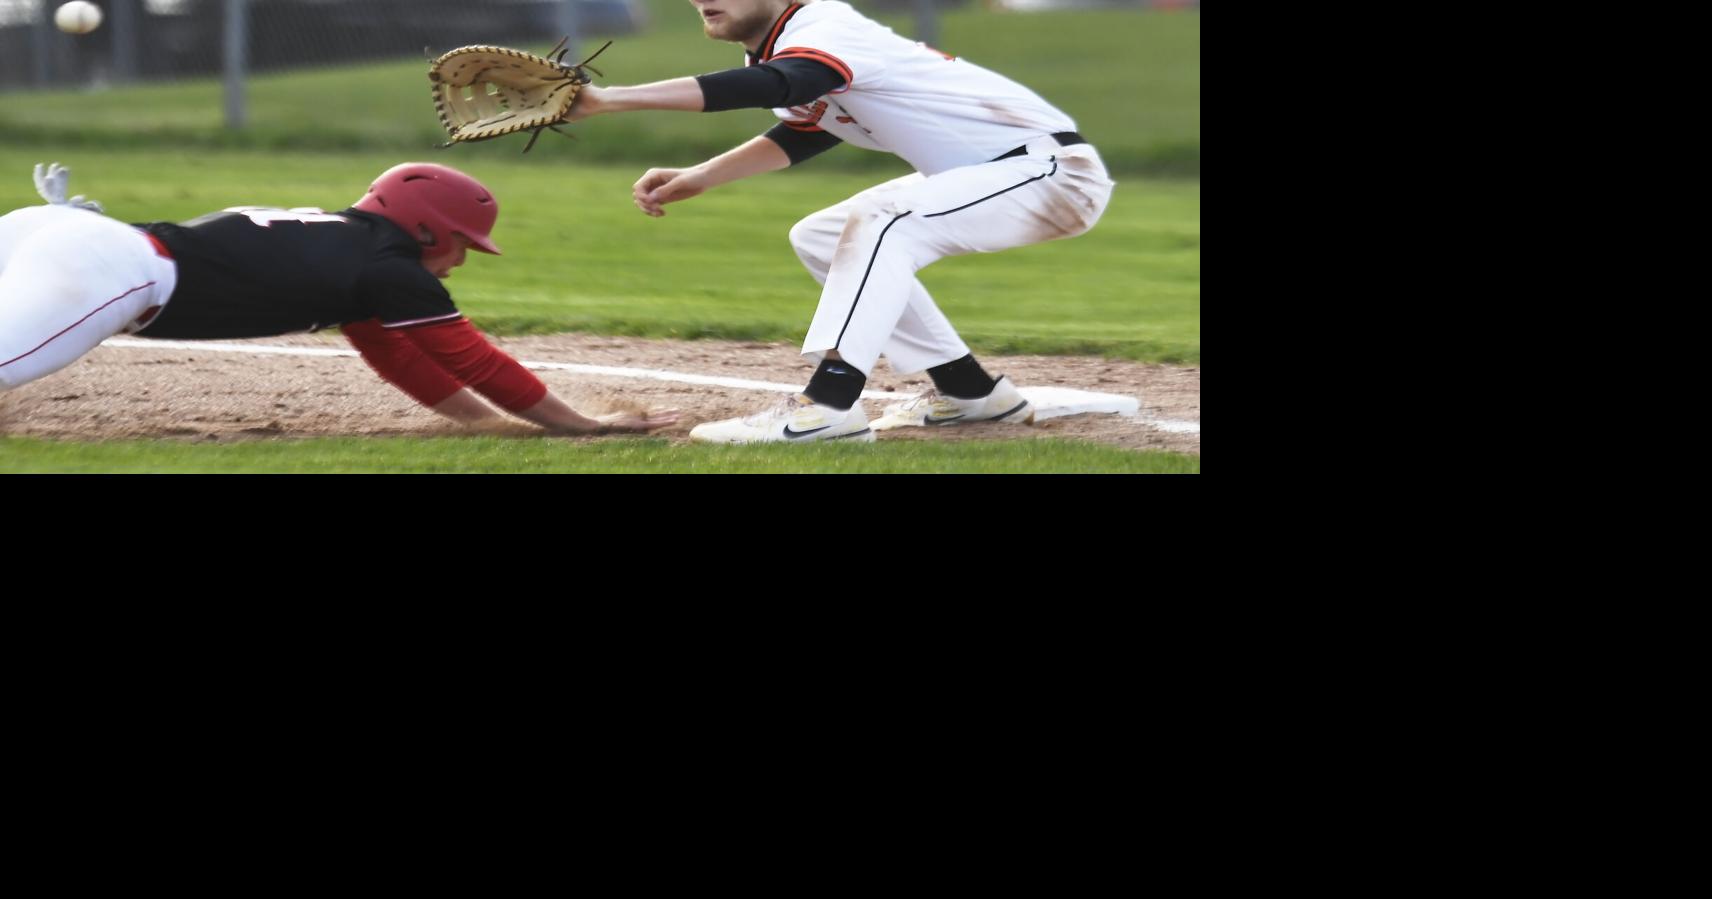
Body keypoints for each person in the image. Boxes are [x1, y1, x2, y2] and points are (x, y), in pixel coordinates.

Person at [564, 0, 1114, 443]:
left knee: (882, 219)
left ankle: (825, 407)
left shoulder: (823, 23)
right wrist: (705, 174)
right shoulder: (785, 49)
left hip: (1049, 172)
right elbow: (812, 125)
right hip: (997, 173)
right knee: (824, 235)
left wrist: (612, 99)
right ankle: (971, 393)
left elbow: (787, 85)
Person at [0, 162, 678, 436]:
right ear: (423, 229)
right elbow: (472, 358)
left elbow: (398, 358)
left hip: (63, 232)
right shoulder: (390, 267)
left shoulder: (348, 251)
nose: (463, 257)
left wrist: (482, 423)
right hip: (107, 266)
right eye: (461, 242)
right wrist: (577, 424)